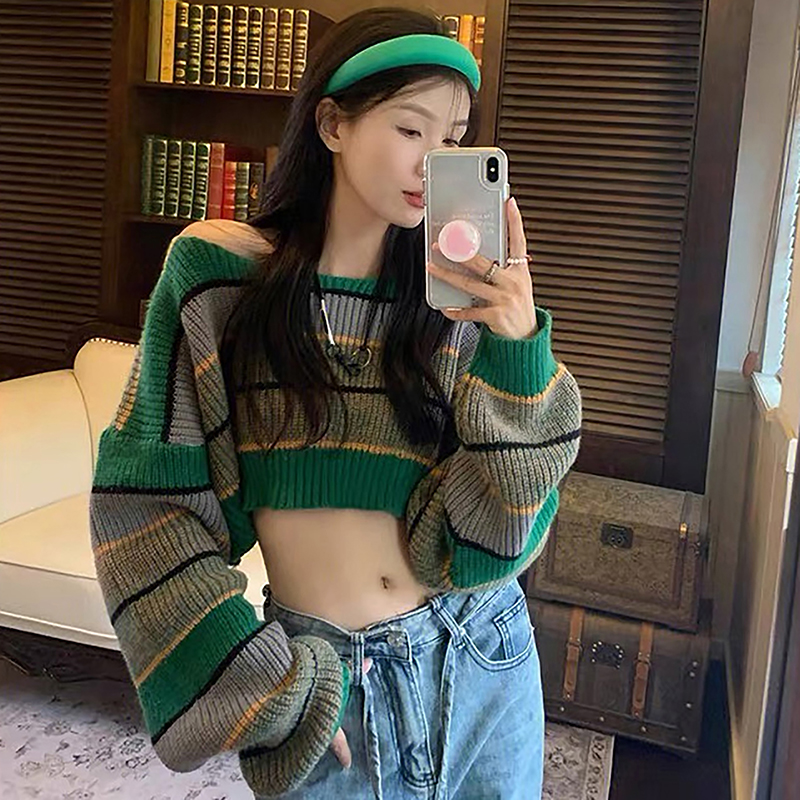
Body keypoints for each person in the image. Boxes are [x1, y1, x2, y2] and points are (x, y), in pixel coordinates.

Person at [89, 6, 582, 799]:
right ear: (332, 125)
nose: (433, 162)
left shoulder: (455, 308)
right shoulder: (216, 281)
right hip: (331, 683)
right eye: (411, 128)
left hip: (482, 657)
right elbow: (145, 507)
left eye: (453, 139)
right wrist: (265, 686)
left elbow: (505, 527)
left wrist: (519, 346)